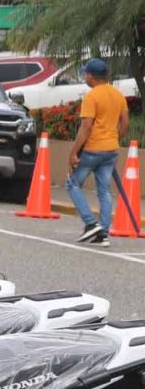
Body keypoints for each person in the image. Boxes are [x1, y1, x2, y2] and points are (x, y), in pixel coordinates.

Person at [67, 58, 129, 247]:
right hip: (111, 149)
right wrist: (112, 138)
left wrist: (74, 152)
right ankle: (103, 232)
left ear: (91, 76)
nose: (85, 76)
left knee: (72, 184)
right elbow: (125, 124)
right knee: (104, 190)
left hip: (93, 149)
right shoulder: (118, 95)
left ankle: (90, 223)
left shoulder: (92, 96)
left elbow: (86, 127)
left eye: (86, 73)